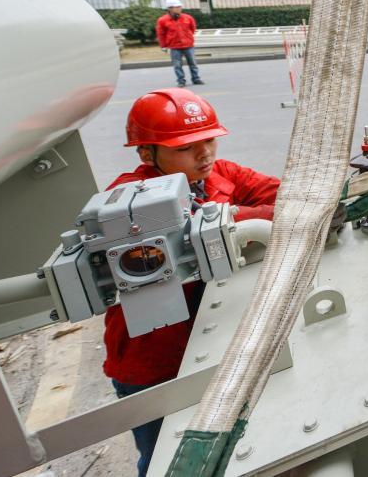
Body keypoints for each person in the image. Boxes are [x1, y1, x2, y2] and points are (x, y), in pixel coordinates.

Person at [104, 88, 278, 476]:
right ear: (147, 154)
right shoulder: (127, 201)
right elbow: (191, 228)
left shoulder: (221, 174)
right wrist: (244, 214)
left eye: (208, 140)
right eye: (186, 148)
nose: (205, 154)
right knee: (163, 461)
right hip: (153, 364)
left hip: (212, 343)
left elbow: (286, 195)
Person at [156, 0, 203, 87]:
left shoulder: (188, 18)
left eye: (179, 6)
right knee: (177, 65)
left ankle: (196, 78)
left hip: (188, 45)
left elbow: (192, 28)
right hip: (174, 46)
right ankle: (181, 81)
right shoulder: (163, 20)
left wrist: (188, 37)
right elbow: (161, 34)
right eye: (176, 7)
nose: (179, 8)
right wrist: (163, 46)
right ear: (169, 8)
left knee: (193, 63)